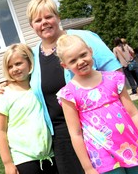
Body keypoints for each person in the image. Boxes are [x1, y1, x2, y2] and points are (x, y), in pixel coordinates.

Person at [0, 0, 122, 174]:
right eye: (38, 20)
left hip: (96, 128)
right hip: (60, 138)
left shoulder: (83, 38)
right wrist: (5, 85)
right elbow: (21, 77)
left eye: (48, 17)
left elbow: (116, 75)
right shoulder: (33, 56)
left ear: (58, 17)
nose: (44, 23)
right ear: (32, 26)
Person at [56, 34, 138, 174]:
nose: (80, 61)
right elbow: (75, 133)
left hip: (131, 145)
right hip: (103, 156)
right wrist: (88, 167)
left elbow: (133, 113)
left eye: (83, 55)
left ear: (90, 51)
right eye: (73, 60)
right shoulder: (68, 94)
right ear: (65, 65)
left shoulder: (114, 78)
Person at [0, 43, 57, 174]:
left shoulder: (38, 88)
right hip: (24, 159)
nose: (15, 69)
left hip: (50, 155)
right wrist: (8, 163)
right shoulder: (5, 94)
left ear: (29, 62)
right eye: (10, 66)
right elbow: (0, 131)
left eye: (18, 63)